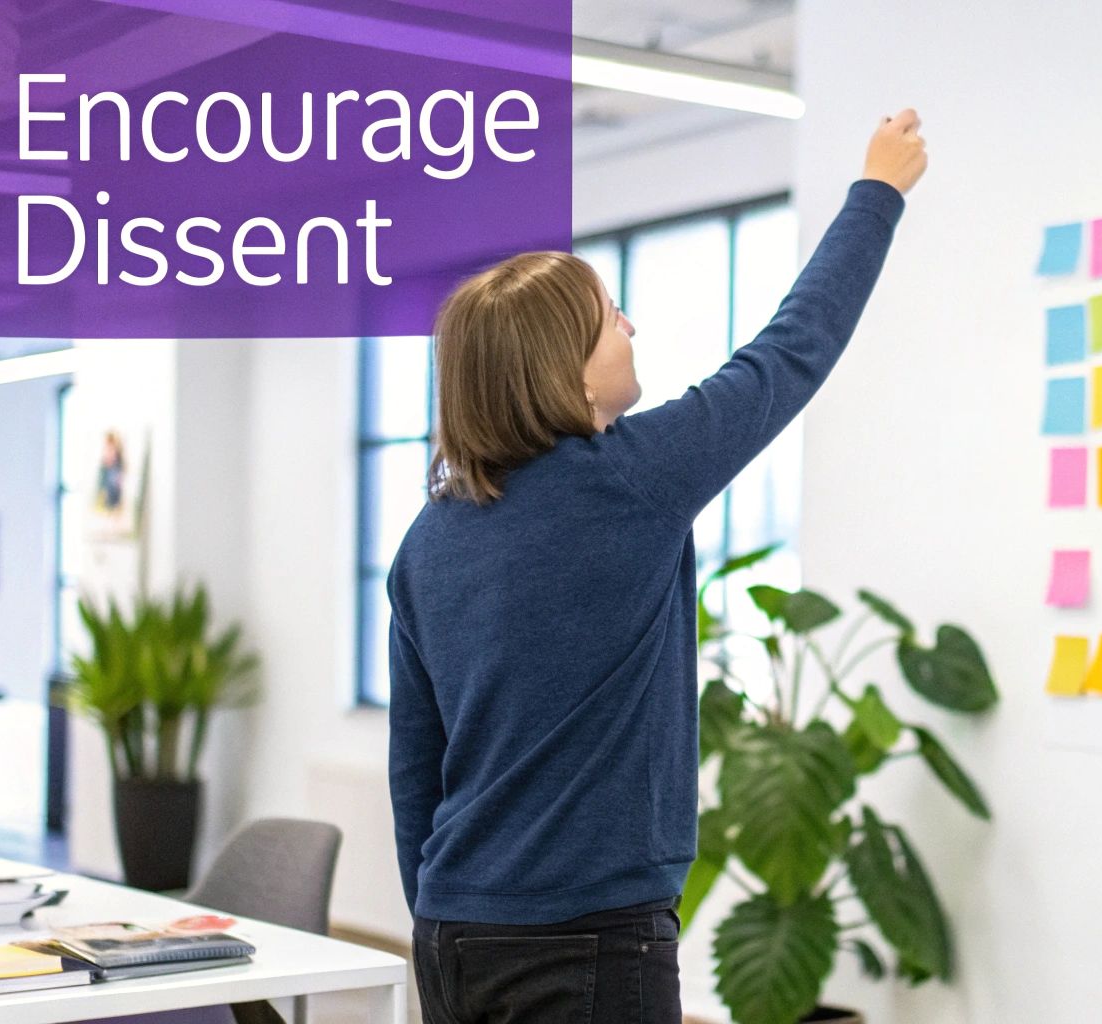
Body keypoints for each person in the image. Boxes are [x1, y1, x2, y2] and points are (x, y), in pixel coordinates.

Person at [386, 111, 927, 1024]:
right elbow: (791, 350)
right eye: (608, 317)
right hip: (590, 934)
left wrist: (452, 908)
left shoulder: (427, 539)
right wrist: (877, 192)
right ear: (564, 369)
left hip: (453, 929)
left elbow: (415, 772)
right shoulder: (633, 480)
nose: (630, 324)